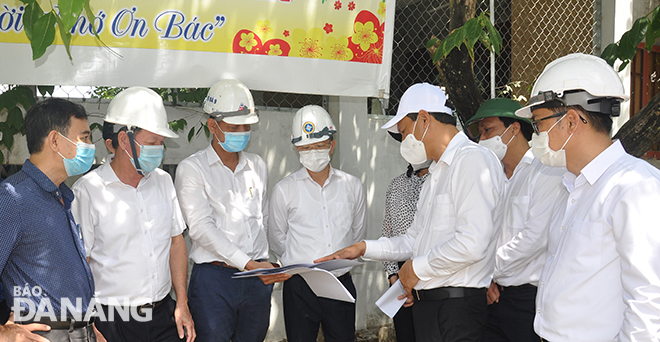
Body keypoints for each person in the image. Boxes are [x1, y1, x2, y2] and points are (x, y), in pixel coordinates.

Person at [317, 83, 504, 342]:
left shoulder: (472, 161)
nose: (404, 142)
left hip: (456, 310)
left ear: (424, 119)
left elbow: (473, 243)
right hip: (429, 308)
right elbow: (414, 239)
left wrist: (416, 267)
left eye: (405, 132)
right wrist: (363, 248)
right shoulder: (436, 174)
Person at [515, 53, 660, 341]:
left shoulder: (633, 186)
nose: (536, 137)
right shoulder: (572, 186)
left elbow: (649, 301)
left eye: (539, 124)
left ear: (570, 121)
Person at [71, 87, 195, 342]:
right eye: (152, 143)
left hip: (163, 313)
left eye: (161, 143)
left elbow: (176, 242)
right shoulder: (88, 191)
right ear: (124, 140)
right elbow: (79, 263)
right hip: (112, 320)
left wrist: (181, 302)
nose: (159, 150)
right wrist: (89, 324)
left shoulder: (163, 182)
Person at [175, 79, 287, 342]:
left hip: (257, 278)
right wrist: (248, 264)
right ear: (212, 125)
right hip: (215, 280)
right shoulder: (193, 169)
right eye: (234, 127)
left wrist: (271, 262)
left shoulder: (257, 165)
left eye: (247, 126)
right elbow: (201, 229)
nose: (242, 132)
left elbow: (263, 218)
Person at [465, 98, 565, 342]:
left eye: (488, 130)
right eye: (479, 133)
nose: (482, 139)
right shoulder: (491, 176)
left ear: (514, 128)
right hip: (491, 293)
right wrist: (487, 277)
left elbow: (534, 237)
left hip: (528, 299)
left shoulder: (545, 170)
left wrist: (487, 271)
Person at [0, 98, 96, 341]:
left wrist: (88, 327)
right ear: (55, 141)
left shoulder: (60, 194)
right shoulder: (13, 198)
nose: (90, 145)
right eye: (84, 137)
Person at [268, 105, 366, 342]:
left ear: (332, 144)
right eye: (305, 147)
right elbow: (277, 239)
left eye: (319, 145)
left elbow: (358, 235)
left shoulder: (352, 186)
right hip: (300, 286)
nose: (313, 152)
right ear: (296, 148)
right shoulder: (284, 190)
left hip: (339, 283)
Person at [380, 132, 432, 342]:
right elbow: (387, 232)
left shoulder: (443, 181)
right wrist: (393, 275)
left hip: (434, 270)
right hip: (401, 275)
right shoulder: (396, 185)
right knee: (406, 335)